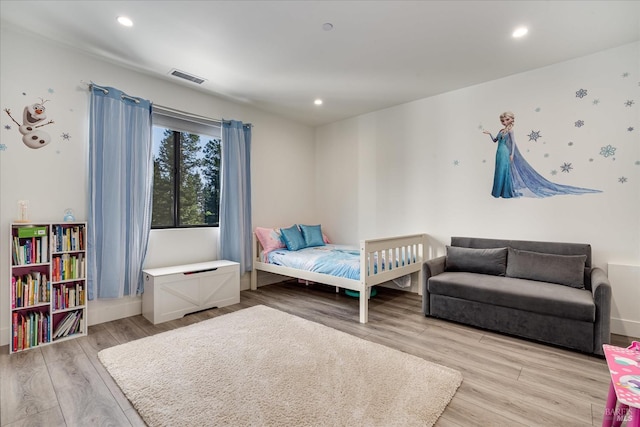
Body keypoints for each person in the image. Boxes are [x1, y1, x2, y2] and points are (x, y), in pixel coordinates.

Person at [483, 111, 601, 198]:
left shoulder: (511, 131)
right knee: (499, 170)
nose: (504, 122)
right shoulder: (500, 131)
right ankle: (497, 191)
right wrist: (489, 134)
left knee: (504, 170)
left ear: (510, 120)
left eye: (506, 120)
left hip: (505, 152)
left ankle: (505, 191)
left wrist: (512, 154)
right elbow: (495, 140)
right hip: (499, 152)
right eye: (502, 120)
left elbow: (513, 143)